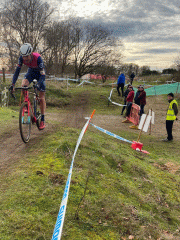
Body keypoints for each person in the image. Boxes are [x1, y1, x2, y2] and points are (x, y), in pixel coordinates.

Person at [9, 43, 46, 130]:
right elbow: (17, 72)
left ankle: (42, 120)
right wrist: (13, 84)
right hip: (31, 72)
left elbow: (43, 75)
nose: (25, 58)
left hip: (40, 74)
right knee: (24, 84)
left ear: (31, 53)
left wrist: (38, 84)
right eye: (24, 56)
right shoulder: (21, 58)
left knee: (41, 97)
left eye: (27, 56)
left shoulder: (38, 58)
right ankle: (26, 104)